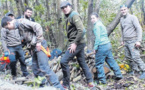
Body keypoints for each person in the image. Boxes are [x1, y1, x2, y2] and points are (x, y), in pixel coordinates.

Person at [1, 17, 64, 90]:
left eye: (7, 28)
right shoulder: (18, 26)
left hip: (40, 45)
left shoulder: (22, 22)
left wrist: (39, 42)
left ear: (8, 23)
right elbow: (28, 37)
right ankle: (42, 85)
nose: (9, 29)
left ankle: (59, 87)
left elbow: (38, 26)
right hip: (33, 47)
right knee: (35, 68)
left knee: (44, 67)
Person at [60, 1, 95, 89]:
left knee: (63, 61)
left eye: (66, 7)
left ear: (70, 6)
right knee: (82, 62)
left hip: (78, 43)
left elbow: (82, 30)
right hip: (79, 43)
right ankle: (90, 82)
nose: (64, 9)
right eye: (62, 8)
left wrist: (74, 43)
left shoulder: (74, 15)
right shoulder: (69, 16)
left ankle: (65, 84)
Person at [91, 13, 123, 84]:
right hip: (107, 45)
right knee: (111, 61)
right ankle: (119, 75)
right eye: (91, 18)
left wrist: (95, 48)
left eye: (94, 18)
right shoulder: (101, 24)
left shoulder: (97, 26)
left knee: (99, 64)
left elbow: (98, 38)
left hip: (102, 46)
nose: (92, 20)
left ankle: (102, 81)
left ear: (97, 18)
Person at [1, 12, 29, 79]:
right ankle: (14, 75)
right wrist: (5, 50)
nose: (11, 17)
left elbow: (22, 33)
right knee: (12, 61)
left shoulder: (17, 25)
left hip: (19, 46)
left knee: (22, 60)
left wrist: (21, 39)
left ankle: (26, 74)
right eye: (9, 16)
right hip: (11, 47)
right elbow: (3, 39)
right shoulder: (5, 28)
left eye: (12, 16)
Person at [120, 5, 145, 79]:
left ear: (127, 9)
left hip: (133, 40)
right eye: (122, 10)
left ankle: (144, 70)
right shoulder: (121, 19)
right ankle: (135, 70)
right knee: (128, 56)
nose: (123, 11)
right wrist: (122, 40)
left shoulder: (133, 17)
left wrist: (138, 41)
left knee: (136, 57)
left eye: (124, 9)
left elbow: (139, 29)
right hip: (126, 41)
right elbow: (122, 30)